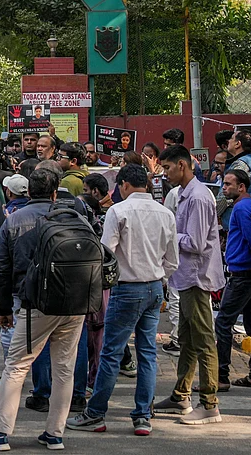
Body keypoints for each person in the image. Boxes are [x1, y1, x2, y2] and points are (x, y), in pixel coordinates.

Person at [66, 164, 178, 437]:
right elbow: (172, 260)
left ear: (125, 185)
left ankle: (95, 413)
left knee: (111, 353)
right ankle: (142, 416)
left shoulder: (119, 211)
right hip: (153, 287)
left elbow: (106, 255)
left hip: (127, 288)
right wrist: (158, 277)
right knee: (147, 353)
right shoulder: (165, 213)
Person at [0, 168, 85, 452]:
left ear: (28, 192)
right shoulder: (74, 217)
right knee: (64, 368)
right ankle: (54, 434)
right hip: (75, 302)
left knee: (16, 365)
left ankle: (1, 433)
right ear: (55, 194)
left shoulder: (14, 220)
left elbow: (1, 269)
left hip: (33, 303)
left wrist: (3, 308)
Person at [150, 143, 226, 425]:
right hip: (186, 276)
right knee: (188, 337)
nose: (165, 173)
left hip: (197, 276)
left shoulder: (198, 197)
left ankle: (209, 403)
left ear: (182, 165)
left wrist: (169, 234)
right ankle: (181, 394)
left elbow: (194, 242)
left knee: (204, 339)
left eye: (167, 168)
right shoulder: (185, 194)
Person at [213, 167, 251, 390]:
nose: (224, 188)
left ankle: (221, 376)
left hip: (244, 273)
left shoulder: (242, 209)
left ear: (241, 187)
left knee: (223, 322)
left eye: (228, 184)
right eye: (224, 184)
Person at [228, 130, 251, 203]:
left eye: (231, 138)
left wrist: (215, 210)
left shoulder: (241, 164)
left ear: (238, 144)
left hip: (240, 209)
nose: (228, 141)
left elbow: (231, 192)